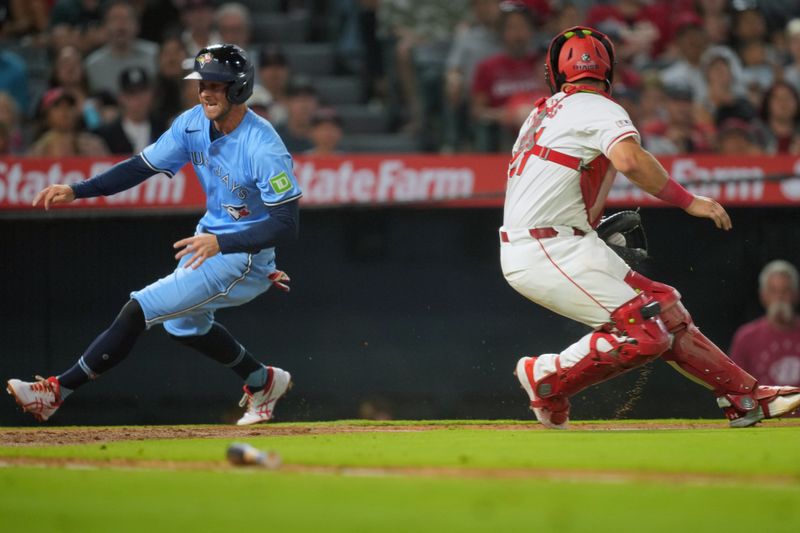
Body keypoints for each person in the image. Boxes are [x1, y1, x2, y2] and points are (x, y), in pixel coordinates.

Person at [504, 26, 800, 430]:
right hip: (547, 247)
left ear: (555, 72)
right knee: (646, 332)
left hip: (558, 239)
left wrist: (586, 227)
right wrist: (689, 200)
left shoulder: (540, 113)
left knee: (666, 309)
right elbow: (629, 160)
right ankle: (546, 376)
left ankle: (745, 396)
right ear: (608, 70)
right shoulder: (600, 106)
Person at [7, 44, 302, 426]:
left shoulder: (263, 147)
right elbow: (140, 167)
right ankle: (263, 381)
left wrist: (222, 243)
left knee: (140, 308)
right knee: (184, 325)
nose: (206, 92)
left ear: (239, 88)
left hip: (243, 256)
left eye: (217, 84)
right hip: (210, 240)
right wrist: (78, 190)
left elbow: (286, 225)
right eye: (202, 84)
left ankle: (56, 391)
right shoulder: (192, 123)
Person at [729, 260, 800, 387]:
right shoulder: (746, 338)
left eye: (785, 290)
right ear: (763, 296)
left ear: (796, 294)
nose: (780, 297)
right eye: (773, 291)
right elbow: (734, 386)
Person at [83, 0, 159, 97]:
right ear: (105, 26)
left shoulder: (155, 55)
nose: (121, 25)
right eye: (115, 19)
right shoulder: (92, 65)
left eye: (126, 19)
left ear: (137, 25)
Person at [95, 66, 165, 154]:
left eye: (143, 91)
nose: (139, 98)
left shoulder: (164, 127)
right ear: (121, 97)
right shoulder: (108, 134)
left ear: (151, 93)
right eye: (132, 93)